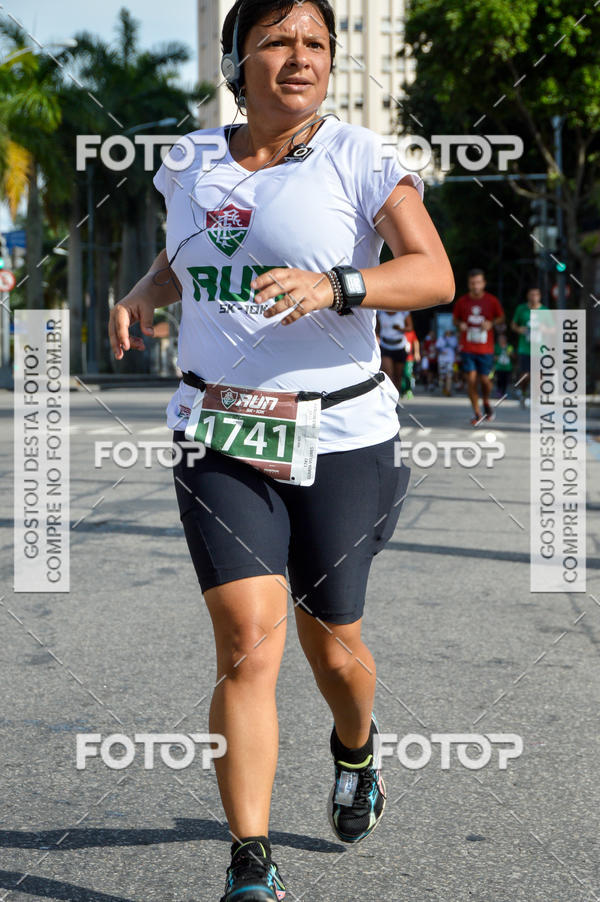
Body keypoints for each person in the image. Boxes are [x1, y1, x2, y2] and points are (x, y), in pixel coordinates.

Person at [108, 2, 454, 900]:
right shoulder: (186, 160)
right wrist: (144, 292)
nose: (300, 59)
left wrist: (339, 283)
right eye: (277, 42)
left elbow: (432, 272)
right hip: (219, 429)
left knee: (332, 644)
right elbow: (184, 255)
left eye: (315, 44)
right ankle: (250, 862)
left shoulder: (363, 158)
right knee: (246, 644)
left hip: (342, 432)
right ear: (237, 58)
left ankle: (355, 749)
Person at [453, 269, 505, 425]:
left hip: (486, 348)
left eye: (478, 283)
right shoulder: (462, 301)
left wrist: (491, 323)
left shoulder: (491, 301)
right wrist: (460, 324)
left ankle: (487, 401)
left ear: (483, 284)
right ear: (469, 284)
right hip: (468, 347)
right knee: (471, 380)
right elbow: (455, 319)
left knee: (484, 380)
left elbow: (501, 317)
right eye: (472, 283)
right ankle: (477, 413)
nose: (475, 286)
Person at [510, 287, 546, 408]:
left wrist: (544, 329)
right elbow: (513, 325)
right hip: (524, 348)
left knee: (538, 375)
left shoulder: (545, 310)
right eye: (531, 294)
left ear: (539, 296)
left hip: (539, 348)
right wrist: (519, 329)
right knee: (525, 375)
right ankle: (524, 392)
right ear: (528, 296)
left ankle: (534, 397)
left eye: (536, 294)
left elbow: (553, 328)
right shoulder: (521, 309)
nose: (534, 297)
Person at [377, 310, 412, 393]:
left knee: (398, 376)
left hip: (399, 346)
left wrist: (400, 329)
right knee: (388, 374)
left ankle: (396, 398)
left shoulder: (403, 312)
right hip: (385, 345)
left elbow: (410, 327)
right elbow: (376, 329)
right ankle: (388, 397)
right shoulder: (380, 313)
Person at [436, 328, 458, 397]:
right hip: (442, 359)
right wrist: (441, 351)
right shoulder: (441, 338)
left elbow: (456, 347)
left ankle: (448, 390)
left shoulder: (454, 339)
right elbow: (437, 347)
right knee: (443, 376)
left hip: (450, 359)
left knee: (449, 375)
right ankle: (444, 388)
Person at [493, 332, 514, 399]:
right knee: (499, 380)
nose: (501, 340)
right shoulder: (496, 346)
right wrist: (495, 357)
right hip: (498, 367)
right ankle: (499, 392)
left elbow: (513, 356)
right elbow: (492, 355)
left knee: (505, 380)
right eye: (500, 338)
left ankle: (504, 393)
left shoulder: (509, 346)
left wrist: (510, 354)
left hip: (507, 367)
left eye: (503, 338)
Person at [402, 324, 420, 399]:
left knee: (407, 374)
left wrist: (416, 353)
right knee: (400, 374)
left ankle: (408, 390)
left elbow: (415, 342)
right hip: (399, 356)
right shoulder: (396, 331)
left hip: (409, 358)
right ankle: (402, 391)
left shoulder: (410, 331)